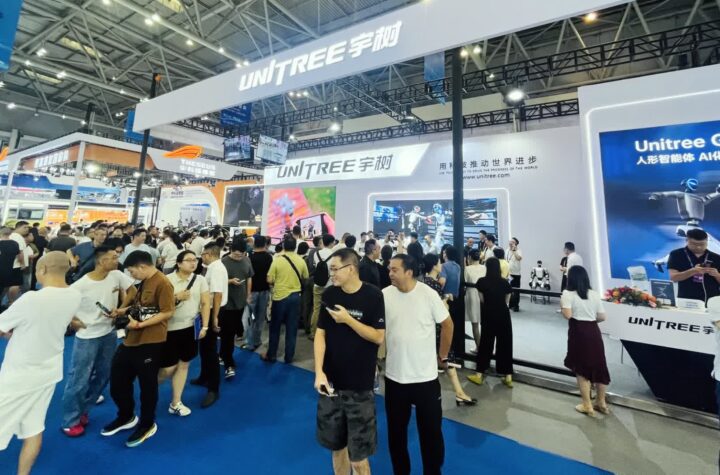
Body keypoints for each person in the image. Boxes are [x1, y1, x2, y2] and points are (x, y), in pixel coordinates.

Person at [0, 252, 83, 474]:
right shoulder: (74, 295)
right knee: (33, 430)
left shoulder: (31, 299)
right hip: (48, 374)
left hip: (19, 376)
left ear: (43, 269)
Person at [314, 248, 385, 475]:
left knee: (359, 458)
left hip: (360, 387)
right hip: (331, 386)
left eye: (335, 269)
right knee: (337, 448)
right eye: (330, 270)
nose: (332, 274)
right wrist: (319, 372)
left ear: (351, 269)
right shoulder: (330, 295)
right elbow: (321, 334)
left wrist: (348, 319)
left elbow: (378, 337)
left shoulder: (373, 296)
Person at [383, 254, 453, 475]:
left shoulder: (428, 294)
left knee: (431, 434)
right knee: (396, 434)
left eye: (394, 269)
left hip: (425, 379)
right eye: (389, 269)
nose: (390, 273)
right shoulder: (384, 295)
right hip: (395, 378)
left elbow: (447, 325)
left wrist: (442, 356)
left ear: (409, 272)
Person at [101, 250, 175, 447]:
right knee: (118, 380)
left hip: (151, 341)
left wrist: (141, 325)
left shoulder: (163, 283)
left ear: (142, 267)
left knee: (147, 386)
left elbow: (167, 312)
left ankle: (147, 423)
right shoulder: (143, 282)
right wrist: (121, 311)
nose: (131, 275)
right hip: (131, 339)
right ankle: (126, 416)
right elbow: (139, 305)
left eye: (132, 271)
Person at [61, 246, 134, 437]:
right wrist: (74, 322)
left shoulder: (116, 275)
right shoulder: (80, 286)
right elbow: (62, 306)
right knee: (79, 379)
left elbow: (132, 290)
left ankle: (83, 410)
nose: (117, 260)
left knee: (104, 375)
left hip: (109, 333)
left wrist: (121, 308)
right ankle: (70, 421)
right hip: (87, 337)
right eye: (113, 257)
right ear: (102, 261)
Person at [159, 250, 210, 417]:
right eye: (188, 260)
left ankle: (176, 402)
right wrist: (176, 298)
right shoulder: (167, 280)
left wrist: (205, 327)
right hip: (169, 329)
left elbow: (205, 303)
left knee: (184, 364)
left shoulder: (200, 280)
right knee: (168, 368)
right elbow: (158, 305)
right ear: (179, 263)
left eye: (195, 260)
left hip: (190, 328)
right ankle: (150, 388)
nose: (193, 263)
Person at [421, 253, 477, 406]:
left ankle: (459, 393)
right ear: (434, 266)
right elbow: (440, 308)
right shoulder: (434, 285)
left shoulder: (425, 282)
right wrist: (446, 299)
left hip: (430, 328)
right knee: (446, 358)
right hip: (438, 329)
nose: (441, 265)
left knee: (443, 361)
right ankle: (459, 393)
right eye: (439, 263)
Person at [561, 266, 611, 416]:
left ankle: (587, 405)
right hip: (593, 330)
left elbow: (568, 315)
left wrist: (563, 307)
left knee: (581, 368)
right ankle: (601, 402)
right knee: (599, 365)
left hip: (578, 331)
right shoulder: (594, 294)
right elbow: (602, 317)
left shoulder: (568, 294)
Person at [191, 242, 228, 408]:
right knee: (205, 347)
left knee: (211, 350)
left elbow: (218, 294)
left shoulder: (217, 268)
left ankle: (213, 388)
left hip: (214, 310)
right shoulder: (212, 268)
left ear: (209, 254)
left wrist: (215, 318)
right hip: (209, 310)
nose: (202, 258)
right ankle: (204, 376)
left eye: (203, 254)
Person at [468, 258, 514, 388]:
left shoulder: (481, 282)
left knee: (485, 343)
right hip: (503, 315)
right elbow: (507, 301)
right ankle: (508, 376)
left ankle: (479, 375)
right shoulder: (505, 282)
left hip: (488, 314)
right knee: (505, 343)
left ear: (487, 267)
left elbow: (482, 299)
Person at [264, 236, 309, 363]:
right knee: (292, 328)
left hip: (279, 297)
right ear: (295, 247)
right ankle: (289, 357)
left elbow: (269, 279)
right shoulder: (301, 260)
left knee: (275, 327)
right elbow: (305, 277)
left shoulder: (277, 260)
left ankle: (272, 355)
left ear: (284, 246)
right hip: (295, 297)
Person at [220, 240, 253, 378]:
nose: (239, 257)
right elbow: (217, 281)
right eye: (236, 255)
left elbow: (249, 277)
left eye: (241, 255)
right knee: (227, 333)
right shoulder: (223, 262)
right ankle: (229, 363)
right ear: (231, 251)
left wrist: (248, 295)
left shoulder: (246, 260)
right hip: (226, 303)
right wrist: (230, 281)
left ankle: (223, 354)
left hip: (240, 302)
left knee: (231, 331)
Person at [668, 228, 720, 303]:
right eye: (694, 244)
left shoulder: (716, 257)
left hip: (712, 300)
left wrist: (717, 275)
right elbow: (674, 278)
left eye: (702, 244)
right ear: (686, 240)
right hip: (687, 299)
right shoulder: (676, 254)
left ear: (707, 241)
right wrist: (693, 271)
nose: (698, 247)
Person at [244, 236, 273, 351]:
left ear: (254, 244)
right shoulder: (269, 257)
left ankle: (250, 343)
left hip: (251, 292)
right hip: (265, 291)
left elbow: (247, 276)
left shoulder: (249, 258)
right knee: (260, 318)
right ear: (265, 244)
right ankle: (257, 340)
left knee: (250, 318)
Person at [310, 234, 336, 340]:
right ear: (331, 243)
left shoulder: (316, 254)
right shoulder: (334, 255)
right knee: (329, 310)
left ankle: (313, 333)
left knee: (316, 309)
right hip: (330, 286)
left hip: (317, 285)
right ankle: (327, 333)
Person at [464, 249, 486, 353]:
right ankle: (485, 347)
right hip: (484, 295)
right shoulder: (484, 268)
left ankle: (478, 347)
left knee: (475, 323)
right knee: (484, 322)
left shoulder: (467, 269)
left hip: (472, 295)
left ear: (469, 257)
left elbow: (464, 283)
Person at [8, 221, 30, 304]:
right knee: (15, 284)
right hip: (17, 265)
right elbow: (20, 253)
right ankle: (11, 302)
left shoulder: (10, 235)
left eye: (28, 228)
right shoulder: (18, 237)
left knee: (8, 285)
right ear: (17, 227)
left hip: (10, 264)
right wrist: (23, 264)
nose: (27, 229)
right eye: (25, 227)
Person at [0, 228, 21, 308]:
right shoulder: (15, 243)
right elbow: (19, 256)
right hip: (10, 269)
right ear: (10, 234)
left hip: (1, 269)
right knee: (6, 288)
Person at [507, 238, 523, 311]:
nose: (511, 243)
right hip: (508, 274)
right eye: (510, 241)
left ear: (516, 244)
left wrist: (514, 251)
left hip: (516, 274)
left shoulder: (518, 250)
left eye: (513, 242)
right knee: (509, 290)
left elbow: (519, 258)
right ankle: (510, 304)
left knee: (516, 291)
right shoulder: (507, 250)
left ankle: (516, 306)